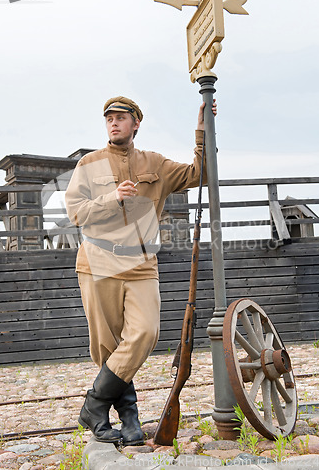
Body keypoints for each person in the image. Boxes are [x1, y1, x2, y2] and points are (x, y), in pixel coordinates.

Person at [65, 95, 216, 446]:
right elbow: (76, 213)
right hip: (98, 262)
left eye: (120, 118)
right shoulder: (89, 163)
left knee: (145, 332)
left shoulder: (156, 164)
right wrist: (112, 197)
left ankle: (94, 404)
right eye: (109, 119)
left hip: (141, 264)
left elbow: (201, 173)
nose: (113, 123)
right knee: (108, 346)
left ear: (136, 124)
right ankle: (129, 417)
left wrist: (202, 127)